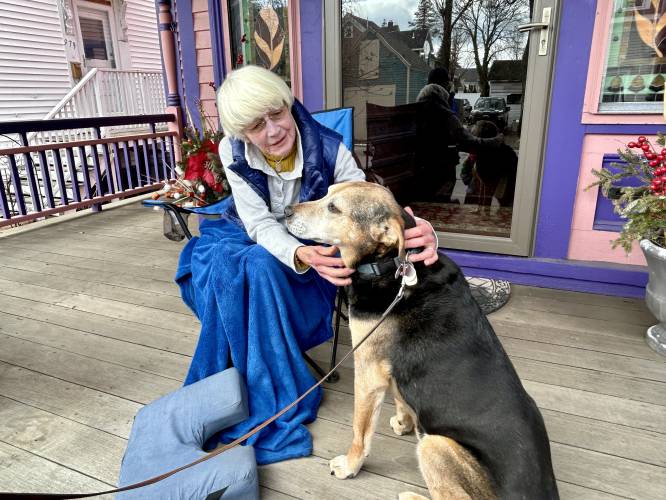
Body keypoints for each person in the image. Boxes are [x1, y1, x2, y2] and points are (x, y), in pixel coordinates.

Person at [175, 65, 438, 465]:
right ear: (242, 132)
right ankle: (245, 372)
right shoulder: (232, 150)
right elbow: (259, 222)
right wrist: (296, 254)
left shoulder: (332, 150)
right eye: (256, 126)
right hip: (250, 232)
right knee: (230, 264)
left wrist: (416, 229)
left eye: (277, 114)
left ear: (288, 103)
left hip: (315, 249)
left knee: (260, 268)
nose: (273, 131)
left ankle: (262, 378)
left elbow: (367, 206)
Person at [414, 70, 502, 203]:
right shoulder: (445, 116)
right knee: (441, 208)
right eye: (449, 83)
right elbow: (469, 142)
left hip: (419, 172)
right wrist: (496, 141)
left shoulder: (415, 112)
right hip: (442, 173)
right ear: (445, 86)